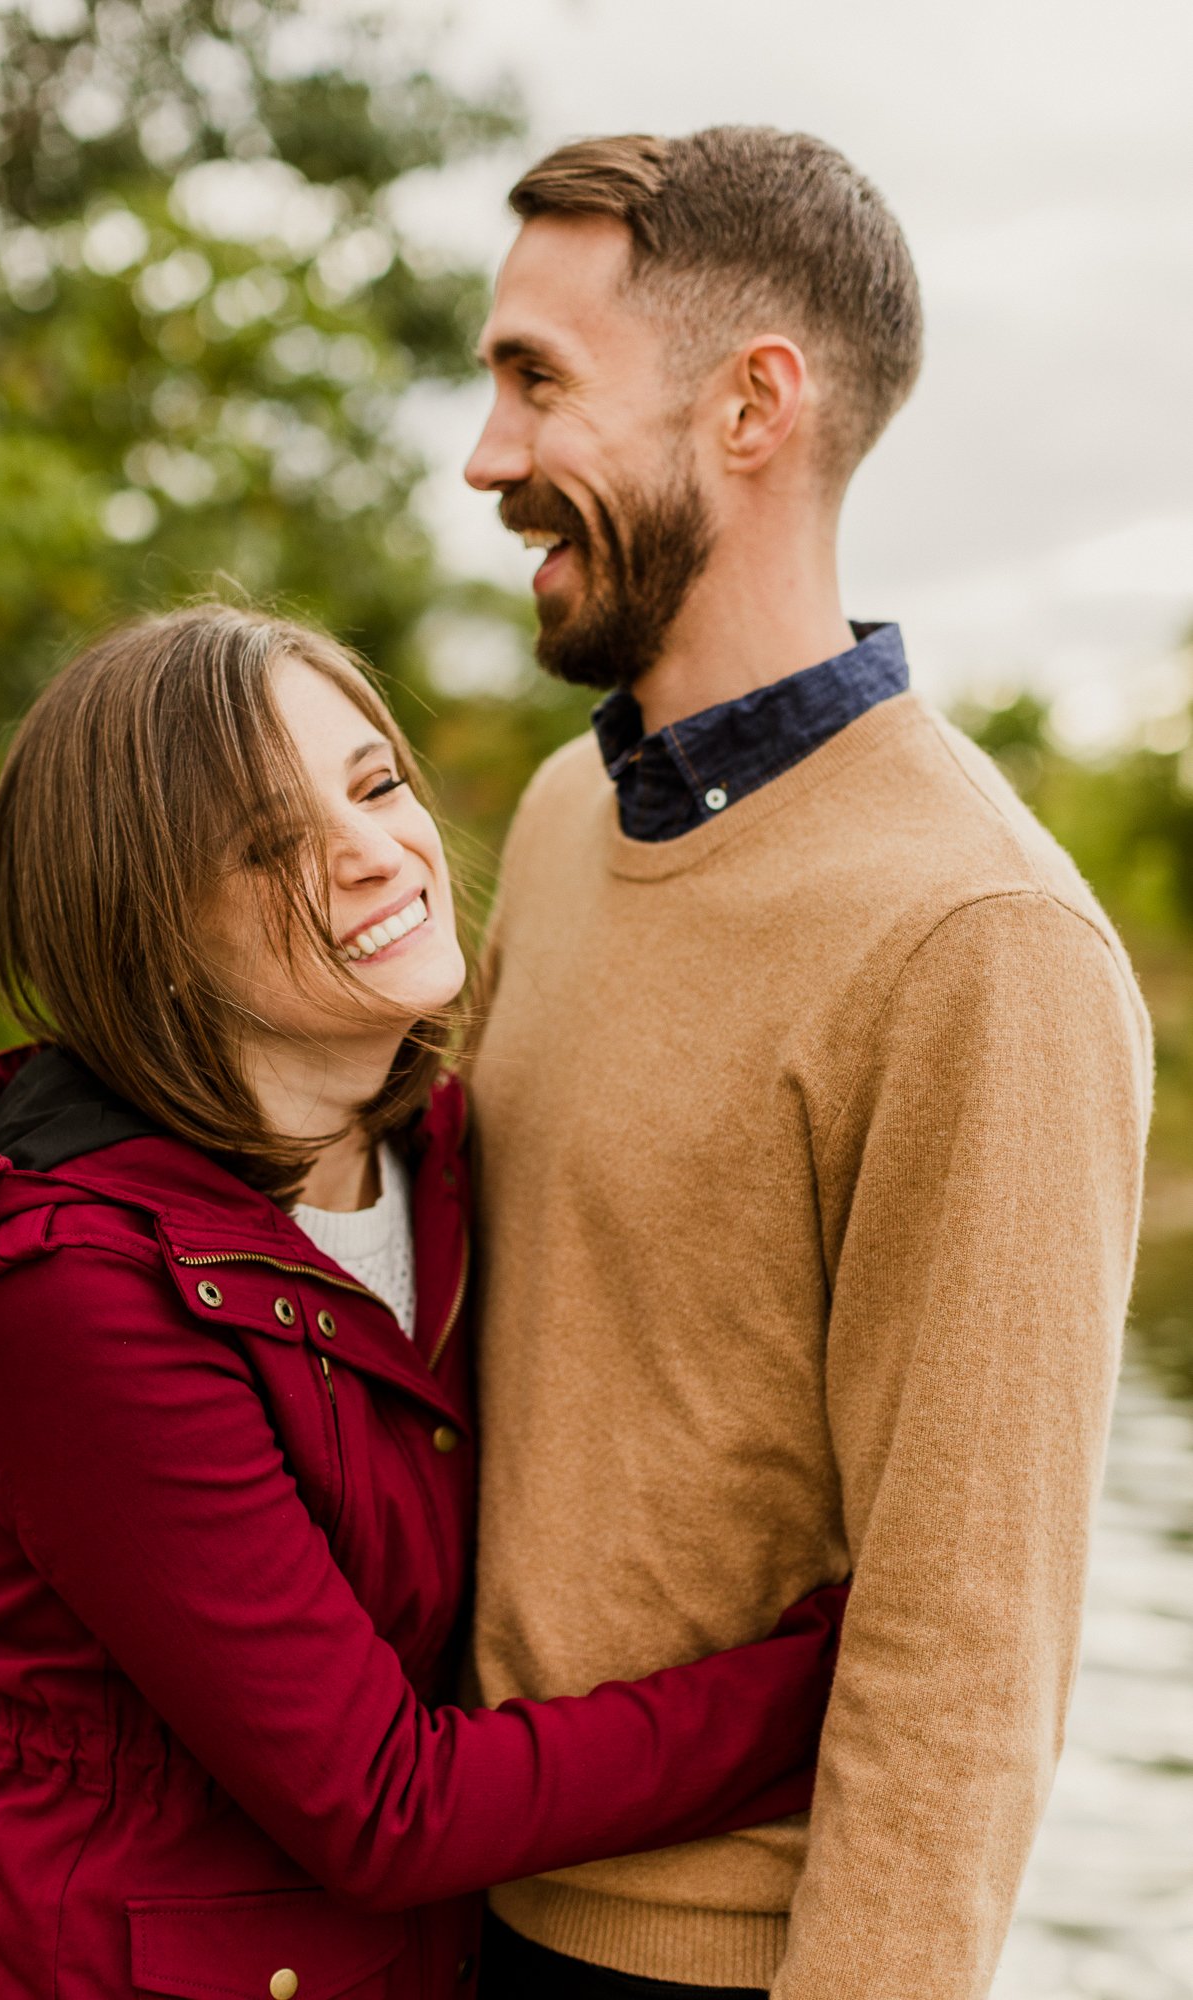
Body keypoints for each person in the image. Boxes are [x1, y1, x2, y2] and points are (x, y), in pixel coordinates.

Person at [0, 606, 847, 2000]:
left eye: (375, 782)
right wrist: (852, 1675)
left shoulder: (445, 1151)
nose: (371, 852)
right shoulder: (76, 1284)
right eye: (268, 848)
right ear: (147, 933)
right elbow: (380, 1809)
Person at [463, 127, 1153, 2000]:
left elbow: (962, 1657)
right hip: (446, 1898)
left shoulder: (979, 943)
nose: (487, 456)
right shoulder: (550, 817)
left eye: (538, 380)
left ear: (753, 404)